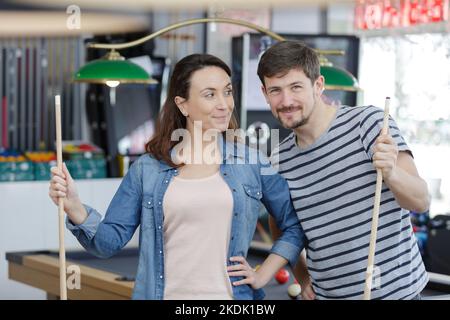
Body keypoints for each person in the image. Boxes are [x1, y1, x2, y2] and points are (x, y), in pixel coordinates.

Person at [49, 53, 306, 300]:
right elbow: (108, 243)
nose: (224, 104)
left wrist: (264, 275)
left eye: (227, 91)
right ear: (182, 104)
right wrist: (75, 207)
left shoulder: (251, 162)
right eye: (210, 94)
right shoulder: (147, 169)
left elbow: (293, 224)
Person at [258, 41, 430, 300]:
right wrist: (303, 277)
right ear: (264, 93)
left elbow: (420, 201)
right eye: (275, 90)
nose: (286, 101)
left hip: (400, 294)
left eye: (296, 87)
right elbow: (281, 227)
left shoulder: (369, 125)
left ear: (318, 85)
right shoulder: (278, 161)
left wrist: (392, 172)